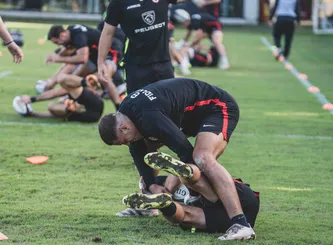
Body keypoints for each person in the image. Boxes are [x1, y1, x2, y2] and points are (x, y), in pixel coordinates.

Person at [98, 78, 255, 240]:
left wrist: (175, 187)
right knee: (145, 154)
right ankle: (152, 201)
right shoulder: (127, 113)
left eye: (125, 141)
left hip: (216, 106)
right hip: (185, 116)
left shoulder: (150, 117)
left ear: (124, 127)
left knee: (202, 158)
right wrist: (152, 185)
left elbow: (185, 152)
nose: (127, 144)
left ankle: (241, 224)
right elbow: (138, 154)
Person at [98, 0, 184, 216]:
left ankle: (183, 187)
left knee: (173, 127)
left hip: (163, 66)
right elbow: (107, 33)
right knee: (138, 131)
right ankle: (150, 196)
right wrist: (100, 62)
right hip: (137, 69)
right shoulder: (118, 3)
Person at [123, 154, 260, 239]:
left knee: (186, 216)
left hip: (227, 197)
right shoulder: (160, 182)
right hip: (239, 208)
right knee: (196, 198)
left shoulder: (159, 182)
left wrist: (167, 190)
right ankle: (166, 203)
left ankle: (166, 205)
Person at [46, 24, 121, 109]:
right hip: (95, 56)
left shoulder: (78, 35)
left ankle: (119, 107)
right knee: (74, 78)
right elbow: (67, 49)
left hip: (110, 52)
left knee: (104, 78)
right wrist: (55, 56)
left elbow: (82, 58)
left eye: (56, 42)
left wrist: (58, 59)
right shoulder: (70, 32)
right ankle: (73, 98)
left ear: (62, 35)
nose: (58, 45)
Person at [13, 74, 104, 123]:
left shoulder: (70, 90)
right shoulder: (69, 95)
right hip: (91, 114)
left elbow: (54, 93)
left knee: (61, 78)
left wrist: (32, 99)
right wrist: (33, 114)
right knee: (53, 107)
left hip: (92, 106)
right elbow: (53, 115)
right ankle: (86, 83)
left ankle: (85, 82)